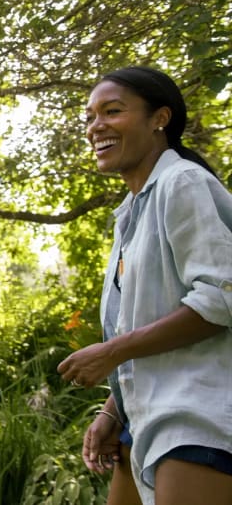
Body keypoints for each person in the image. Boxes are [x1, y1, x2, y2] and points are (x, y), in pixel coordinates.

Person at [56, 66, 232, 504]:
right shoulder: (131, 211)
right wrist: (112, 409)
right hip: (147, 418)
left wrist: (113, 352)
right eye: (90, 116)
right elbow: (148, 319)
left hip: (198, 416)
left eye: (112, 111)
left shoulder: (183, 183)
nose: (96, 126)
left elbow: (221, 297)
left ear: (160, 118)